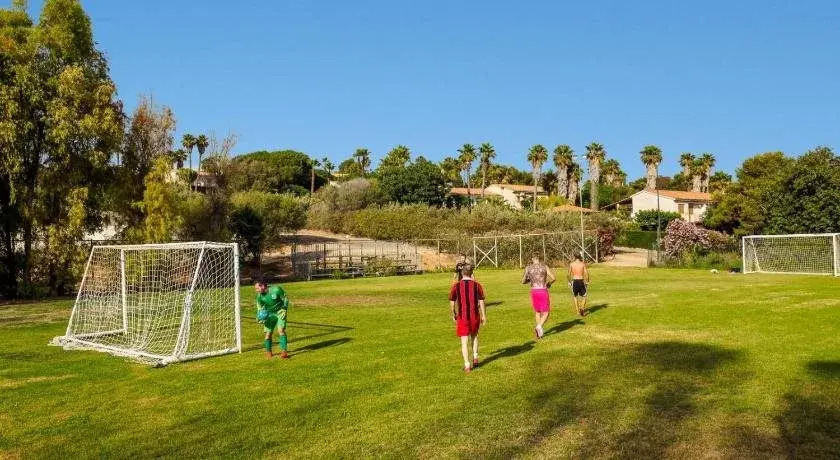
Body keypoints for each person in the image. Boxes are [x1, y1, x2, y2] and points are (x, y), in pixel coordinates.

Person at [449, 263, 486, 373]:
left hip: (462, 317)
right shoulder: (477, 285)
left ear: (462, 272)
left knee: (464, 341)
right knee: (474, 336)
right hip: (475, 316)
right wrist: (484, 315)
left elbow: (452, 301)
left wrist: (453, 313)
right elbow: (481, 301)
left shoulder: (456, 286)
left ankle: (467, 365)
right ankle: (475, 357)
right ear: (471, 273)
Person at [255, 277, 290, 359]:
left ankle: (284, 352)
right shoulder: (259, 297)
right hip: (269, 315)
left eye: (257, 288)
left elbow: (285, 298)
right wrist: (259, 316)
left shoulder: (276, 290)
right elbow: (260, 308)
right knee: (268, 334)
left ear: (263, 286)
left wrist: (284, 308)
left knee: (281, 330)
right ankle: (269, 352)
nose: (256, 290)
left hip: (280, 313)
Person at [522, 254, 556, 339]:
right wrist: (549, 283)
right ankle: (539, 326)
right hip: (543, 290)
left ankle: (539, 334)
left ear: (532, 259)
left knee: (537, 311)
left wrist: (529, 280)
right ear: (539, 258)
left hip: (534, 291)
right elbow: (553, 278)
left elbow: (523, 281)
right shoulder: (544, 267)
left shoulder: (528, 268)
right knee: (546, 312)